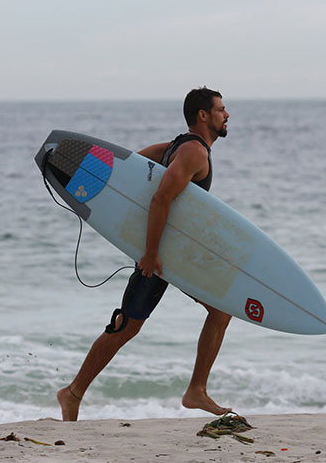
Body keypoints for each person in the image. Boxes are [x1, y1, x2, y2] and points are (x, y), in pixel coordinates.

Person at [57, 87, 231, 421]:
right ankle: (73, 392)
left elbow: (128, 170)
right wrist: (149, 254)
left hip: (171, 255)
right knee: (127, 327)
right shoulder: (194, 153)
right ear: (203, 115)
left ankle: (195, 390)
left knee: (212, 312)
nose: (227, 116)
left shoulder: (176, 146)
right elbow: (160, 199)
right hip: (162, 257)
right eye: (221, 110)